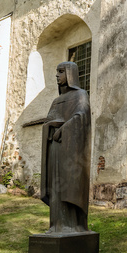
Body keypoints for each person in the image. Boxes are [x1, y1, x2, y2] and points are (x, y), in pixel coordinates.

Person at [40, 60, 91, 233]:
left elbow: (82, 116)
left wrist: (63, 129)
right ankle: (56, 225)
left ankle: (71, 225)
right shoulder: (56, 101)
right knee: (55, 186)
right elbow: (48, 121)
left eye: (61, 71)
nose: (57, 75)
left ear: (70, 74)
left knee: (68, 184)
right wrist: (50, 127)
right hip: (55, 148)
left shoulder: (81, 95)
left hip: (70, 148)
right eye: (57, 71)